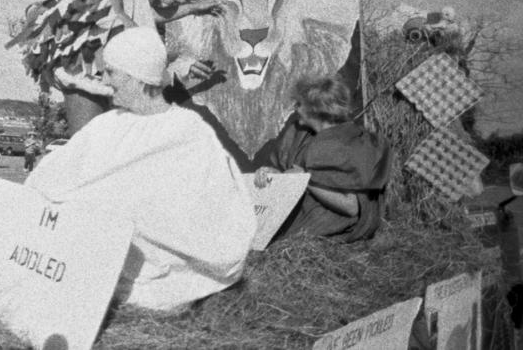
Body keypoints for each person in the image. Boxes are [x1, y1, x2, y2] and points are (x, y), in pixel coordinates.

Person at [25, 27, 256, 310]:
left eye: (111, 72)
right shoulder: (107, 124)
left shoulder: (188, 130)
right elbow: (53, 178)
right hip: (99, 253)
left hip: (167, 264)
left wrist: (126, 212)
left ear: (137, 77)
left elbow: (206, 208)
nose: (103, 79)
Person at [253, 75, 391, 243]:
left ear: (316, 109)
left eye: (299, 104)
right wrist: (271, 174)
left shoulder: (351, 144)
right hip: (294, 217)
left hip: (331, 225)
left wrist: (305, 180)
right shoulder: (298, 133)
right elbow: (285, 171)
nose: (295, 109)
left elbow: (351, 207)